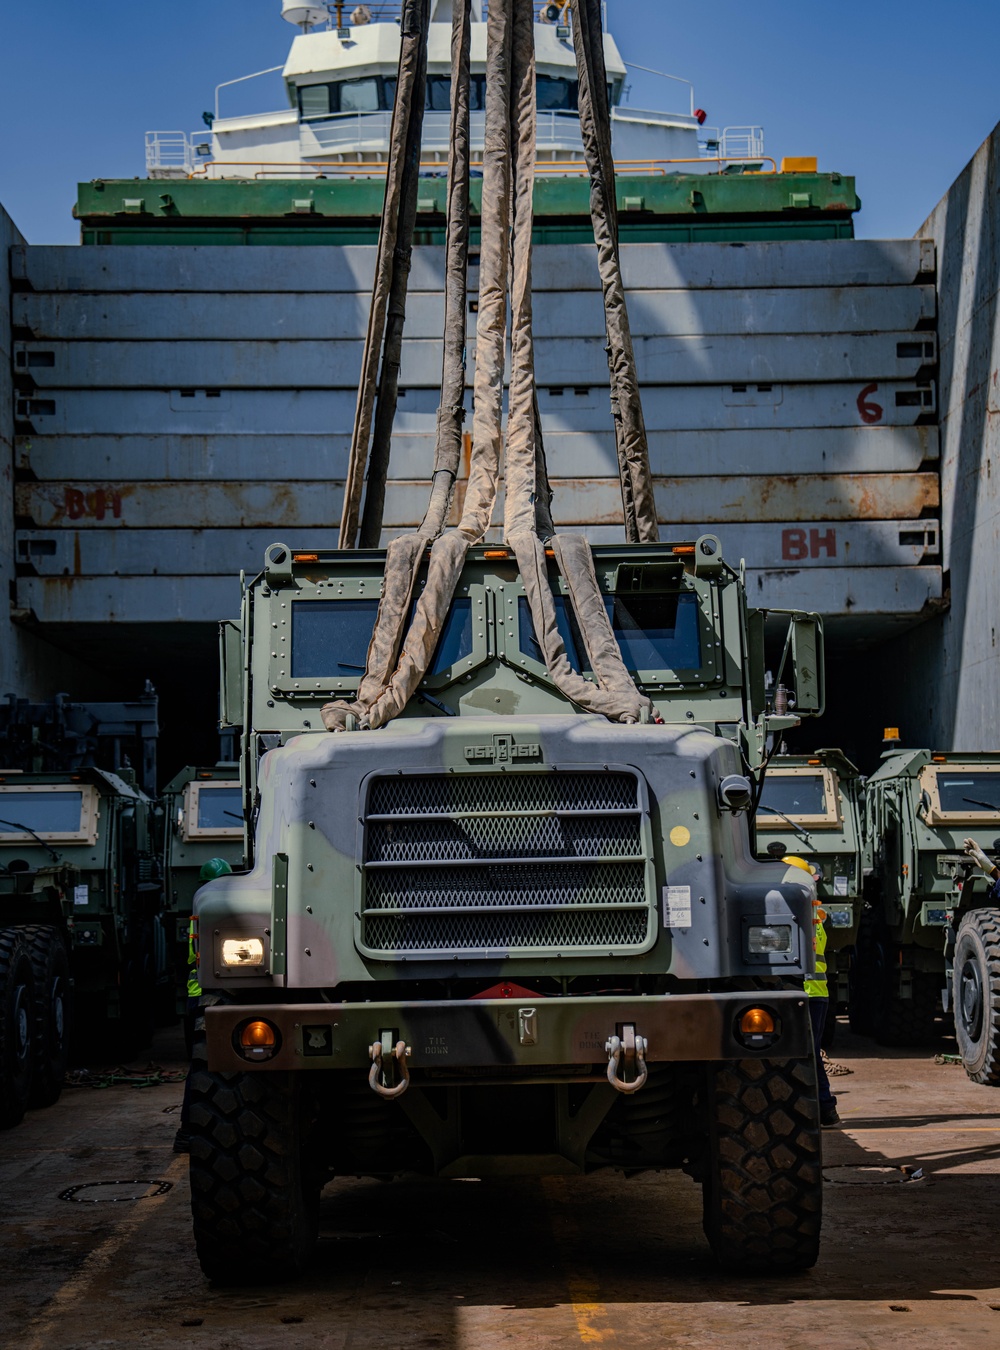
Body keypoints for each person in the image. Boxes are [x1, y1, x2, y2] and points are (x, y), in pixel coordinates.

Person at [784, 854, 841, 1128]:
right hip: (816, 993)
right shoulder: (817, 915)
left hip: (806, 993)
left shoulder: (801, 916)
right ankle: (824, 1108)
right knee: (811, 1051)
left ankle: (824, 1107)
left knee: (807, 1053)